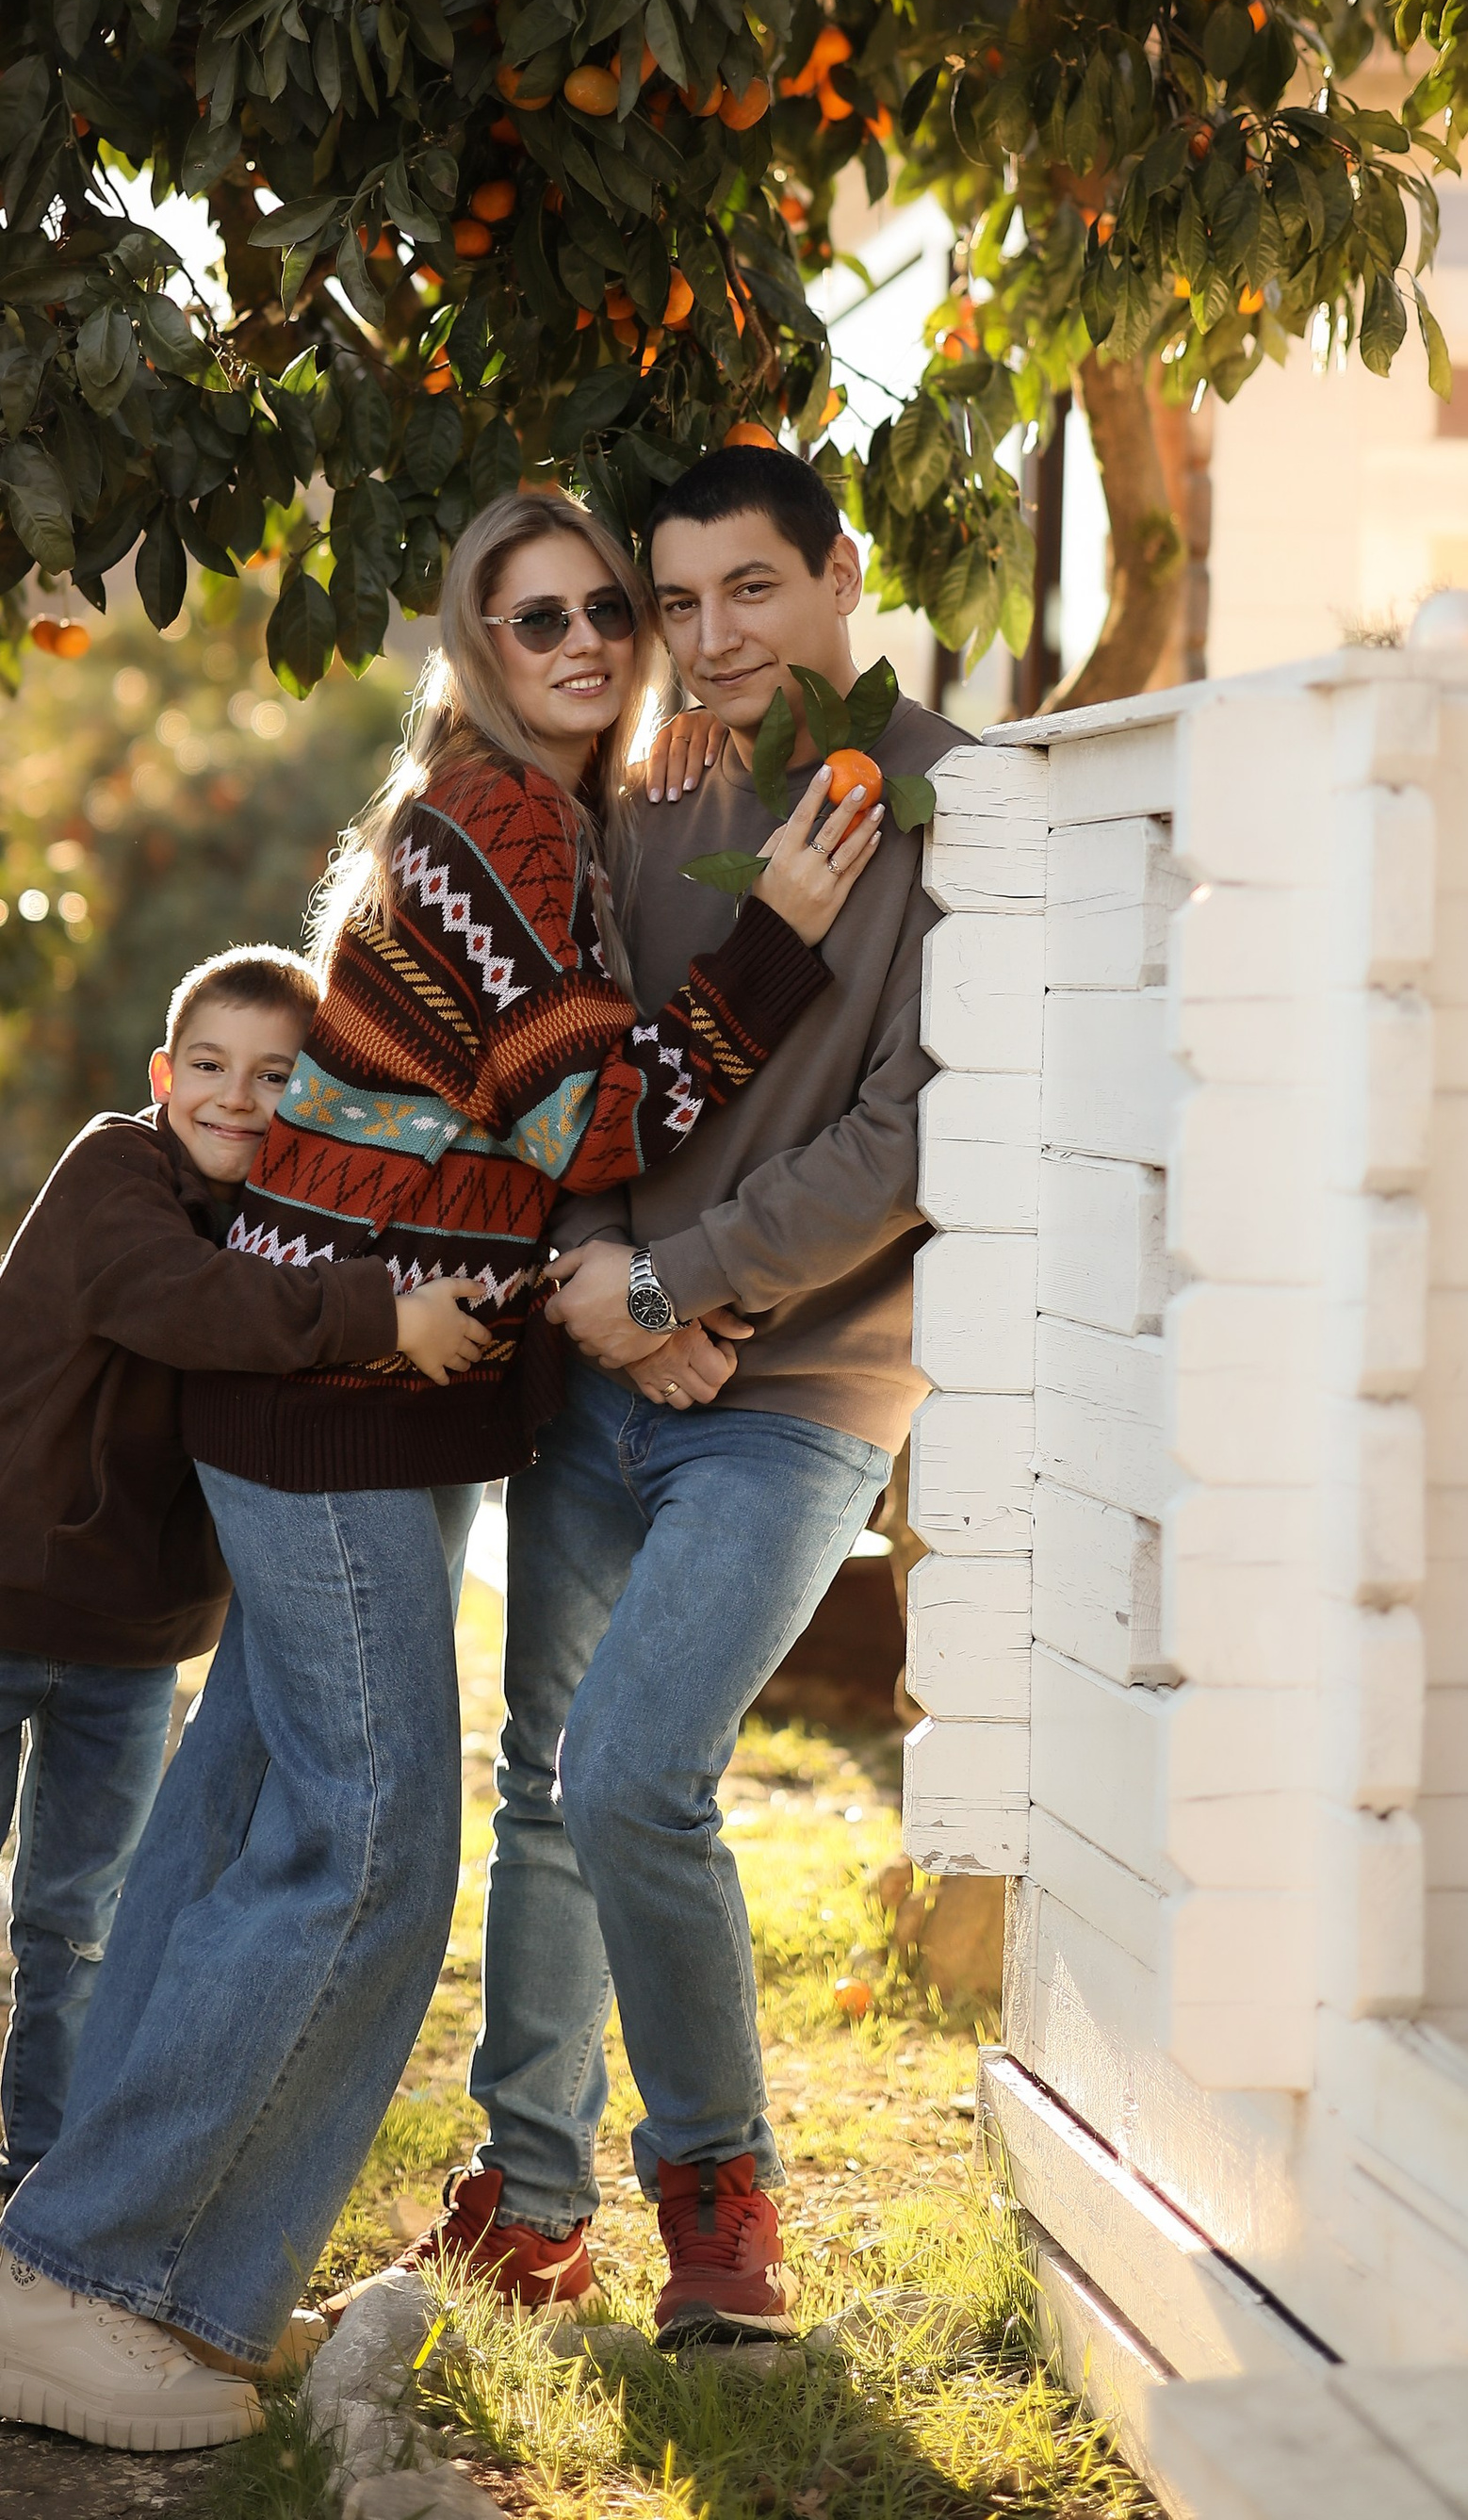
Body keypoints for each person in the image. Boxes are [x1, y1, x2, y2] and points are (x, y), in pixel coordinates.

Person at [0, 488, 881, 2450]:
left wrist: (645, 1286)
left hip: (338, 1403)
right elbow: (592, 1110)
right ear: (476, 642)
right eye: (532, 616)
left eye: (602, 613)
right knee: (365, 1854)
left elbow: (541, 1140)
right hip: (339, 1413)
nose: (582, 642)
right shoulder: (512, 820)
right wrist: (783, 940)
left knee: (233, 1824)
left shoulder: (529, 819)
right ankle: (112, 2283)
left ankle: (98, 2265)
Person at [419, 440, 971, 2344]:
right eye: (679, 605)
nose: (712, 637)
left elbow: (919, 1129)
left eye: (751, 589)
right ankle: (528, 2195)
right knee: (542, 1791)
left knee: (635, 1773)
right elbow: (583, 1067)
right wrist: (611, 1285)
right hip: (603, 1356)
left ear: (838, 575)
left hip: (806, 1377)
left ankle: (717, 2199)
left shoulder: (956, 803)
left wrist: (689, 1281)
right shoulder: (646, 800)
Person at [0, 943, 490, 2387]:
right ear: (167, 1078)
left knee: (82, 1935)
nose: (238, 1099)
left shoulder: (286, 1226)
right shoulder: (114, 1179)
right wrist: (381, 1316)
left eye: (276, 1076)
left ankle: (56, 2230)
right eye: (212, 1069)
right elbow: (180, 1306)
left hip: (119, 1651)